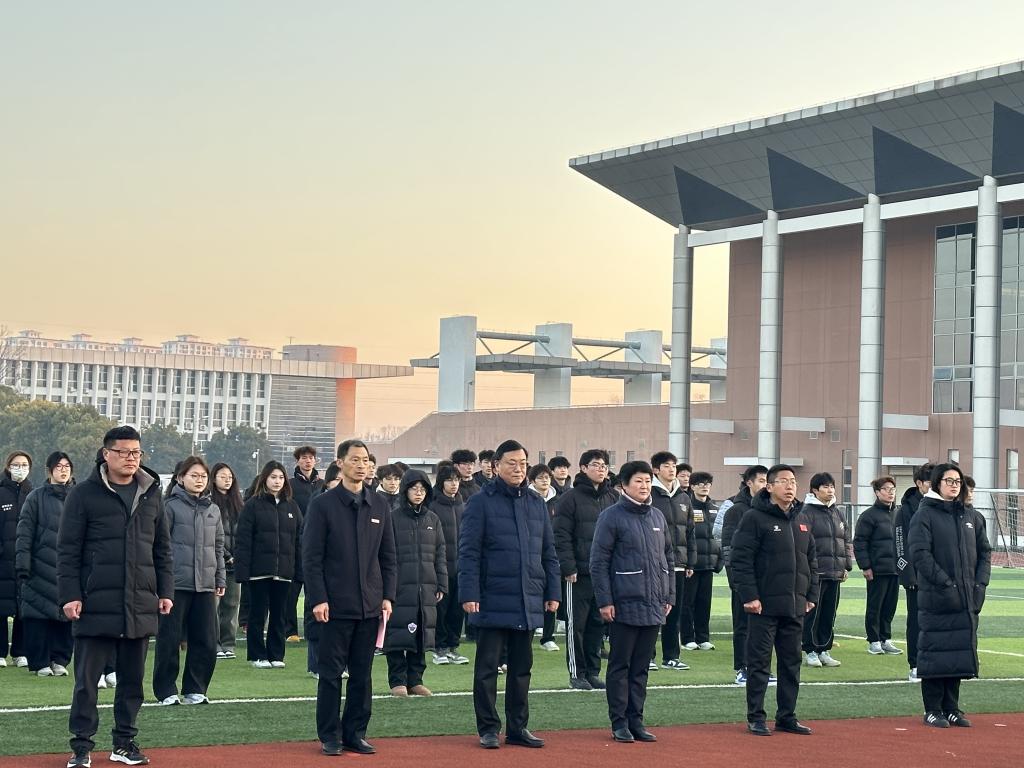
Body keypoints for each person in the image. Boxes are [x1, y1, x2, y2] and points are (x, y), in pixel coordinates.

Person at [58, 426, 173, 768]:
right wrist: (70, 595)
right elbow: (67, 550)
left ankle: (124, 744)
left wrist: (165, 591)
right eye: (123, 452)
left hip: (139, 603)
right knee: (86, 684)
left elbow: (162, 549)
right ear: (106, 454)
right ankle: (81, 747)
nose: (131, 458)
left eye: (136, 452)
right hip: (95, 603)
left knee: (132, 683)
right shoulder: (83, 495)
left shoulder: (152, 493)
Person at [459, 439, 560, 750]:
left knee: (521, 669)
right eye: (512, 463)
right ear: (496, 466)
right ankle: (488, 728)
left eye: (523, 464)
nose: (518, 469)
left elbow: (548, 552)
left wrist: (552, 590)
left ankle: (518, 728)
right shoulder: (480, 502)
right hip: (491, 597)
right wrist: (469, 593)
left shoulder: (535, 503)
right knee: (487, 669)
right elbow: (469, 552)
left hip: (527, 597)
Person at [304, 439, 396, 756]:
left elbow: (388, 557)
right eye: (354, 459)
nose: (361, 465)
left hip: (370, 606)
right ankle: (330, 735)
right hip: (334, 606)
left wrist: (388, 596)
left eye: (365, 460)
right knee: (330, 675)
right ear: (340, 463)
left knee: (362, 675)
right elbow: (311, 558)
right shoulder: (323, 505)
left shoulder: (379, 505)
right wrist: (318, 598)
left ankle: (355, 733)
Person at [730, 464, 818, 737]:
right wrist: (750, 596)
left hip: (795, 605)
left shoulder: (802, 519)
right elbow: (740, 560)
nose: (790, 486)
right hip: (764, 606)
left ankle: (787, 716)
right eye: (783, 481)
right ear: (769, 487)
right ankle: (756, 717)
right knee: (759, 664)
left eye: (793, 481)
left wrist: (811, 595)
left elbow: (811, 561)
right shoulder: (754, 518)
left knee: (791, 664)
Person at [590, 461, 674, 743]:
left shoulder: (657, 516)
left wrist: (669, 595)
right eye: (638, 481)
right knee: (620, 666)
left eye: (648, 481)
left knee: (641, 667)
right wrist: (605, 601)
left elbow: (668, 558)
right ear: (624, 485)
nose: (644, 486)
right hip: (623, 604)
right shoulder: (611, 517)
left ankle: (636, 720)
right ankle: (619, 722)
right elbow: (598, 562)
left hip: (654, 604)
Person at [910, 463, 991, 728]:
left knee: (957, 652)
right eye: (949, 480)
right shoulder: (924, 515)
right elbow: (920, 554)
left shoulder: (972, 516)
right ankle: (933, 709)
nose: (955, 485)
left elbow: (984, 553)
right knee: (935, 651)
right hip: (937, 598)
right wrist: (946, 584)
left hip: (967, 598)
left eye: (958, 481)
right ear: (937, 483)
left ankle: (952, 707)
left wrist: (979, 585)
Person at [153, 457, 225, 706]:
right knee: (169, 640)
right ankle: (166, 690)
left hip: (205, 585)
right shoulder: (169, 507)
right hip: (176, 585)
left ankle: (196, 688)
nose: (199, 480)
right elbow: (160, 547)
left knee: (206, 640)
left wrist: (220, 577)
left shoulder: (213, 510)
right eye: (194, 475)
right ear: (180, 478)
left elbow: (218, 548)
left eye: (203, 476)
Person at [553, 449, 620, 690]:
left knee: (597, 623)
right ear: (583, 468)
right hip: (578, 573)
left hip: (604, 574)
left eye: (604, 465)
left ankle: (593, 672)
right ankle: (577, 673)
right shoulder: (569, 498)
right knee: (576, 625)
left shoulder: (613, 497)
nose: (601, 469)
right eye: (596, 465)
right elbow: (561, 535)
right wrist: (568, 567)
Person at [234, 461, 303, 669]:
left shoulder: (292, 506)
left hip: (284, 572)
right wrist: (242, 572)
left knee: (279, 615)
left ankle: (276, 655)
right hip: (258, 571)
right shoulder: (252, 505)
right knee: (257, 614)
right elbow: (243, 541)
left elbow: (299, 541)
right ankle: (257, 655)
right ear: (265, 479)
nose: (277, 481)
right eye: (273, 477)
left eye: (281, 477)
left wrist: (299, 570)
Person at [385, 470, 447, 697]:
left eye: (423, 489)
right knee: (397, 634)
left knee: (421, 633)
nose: (419, 493)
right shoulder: (393, 518)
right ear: (405, 491)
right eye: (414, 489)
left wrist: (441, 584)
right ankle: (397, 681)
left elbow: (440, 553)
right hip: (399, 587)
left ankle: (416, 680)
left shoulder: (433, 519)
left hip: (426, 587)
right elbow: (385, 555)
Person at [15, 452, 74, 676]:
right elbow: (24, 532)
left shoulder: (77, 496)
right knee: (37, 615)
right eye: (58, 466)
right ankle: (39, 662)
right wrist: (23, 565)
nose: (63, 470)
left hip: (68, 567)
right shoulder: (36, 497)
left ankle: (60, 660)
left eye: (67, 466)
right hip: (39, 567)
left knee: (66, 615)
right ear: (49, 470)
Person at [720, 465, 767, 684]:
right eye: (761, 481)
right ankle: (742, 667)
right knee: (743, 625)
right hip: (743, 580)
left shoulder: (771, 509)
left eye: (768, 481)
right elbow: (729, 548)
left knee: (764, 628)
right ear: (749, 483)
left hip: (767, 580)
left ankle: (761, 668)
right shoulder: (736, 510)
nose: (765, 485)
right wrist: (736, 581)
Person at [800, 473, 853, 668]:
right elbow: (803, 543)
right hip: (816, 573)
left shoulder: (837, 512)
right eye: (825, 487)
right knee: (812, 613)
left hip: (834, 572)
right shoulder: (806, 512)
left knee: (829, 614)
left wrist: (846, 566)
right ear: (815, 490)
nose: (830, 490)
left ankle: (824, 649)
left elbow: (845, 539)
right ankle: (810, 650)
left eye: (832, 486)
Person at [648, 451, 693, 671]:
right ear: (656, 470)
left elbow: (690, 531)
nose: (671, 469)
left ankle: (671, 656)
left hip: (678, 563)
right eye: (666, 466)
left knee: (674, 612)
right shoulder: (649, 493)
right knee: (652, 610)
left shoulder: (684, 497)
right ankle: (648, 656)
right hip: (655, 563)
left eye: (673, 465)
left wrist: (690, 562)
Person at [854, 476, 901, 670]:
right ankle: (874, 640)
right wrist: (865, 566)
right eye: (886, 489)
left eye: (893, 489)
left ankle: (885, 638)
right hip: (877, 569)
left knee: (890, 606)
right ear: (877, 492)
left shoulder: (898, 514)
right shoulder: (869, 516)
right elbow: (860, 542)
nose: (890, 492)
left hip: (895, 569)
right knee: (875, 606)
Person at [895, 462, 933, 678]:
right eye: (929, 481)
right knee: (916, 621)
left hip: (939, 577)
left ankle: (935, 662)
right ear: (919, 483)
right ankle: (915, 664)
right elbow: (900, 543)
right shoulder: (906, 509)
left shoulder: (941, 506)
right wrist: (907, 574)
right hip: (916, 577)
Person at [431, 464, 469, 665]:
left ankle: (453, 646)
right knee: (441, 609)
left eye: (456, 480)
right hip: (440, 566)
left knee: (457, 609)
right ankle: (439, 648)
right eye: (449, 480)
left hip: (460, 566)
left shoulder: (463, 505)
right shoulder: (433, 506)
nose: (454, 484)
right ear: (441, 482)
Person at [681, 471, 721, 653]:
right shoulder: (687, 507)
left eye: (708, 484)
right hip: (692, 565)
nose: (705, 487)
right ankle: (687, 638)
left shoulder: (714, 508)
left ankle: (703, 638)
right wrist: (687, 561)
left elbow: (718, 537)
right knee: (688, 603)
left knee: (704, 604)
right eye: (701, 484)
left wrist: (718, 560)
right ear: (693, 486)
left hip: (708, 564)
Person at [1, 450, 32, 669]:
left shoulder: (33, 493)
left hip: (25, 560)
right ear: (8, 466)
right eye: (16, 464)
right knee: (1, 607)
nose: (20, 468)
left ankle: (20, 652)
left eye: (24, 465)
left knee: (24, 607)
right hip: (3, 560)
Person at [209, 463, 243, 660]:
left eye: (230, 476)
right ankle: (213, 643)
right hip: (215, 563)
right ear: (214, 479)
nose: (227, 480)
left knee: (232, 604)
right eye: (223, 476)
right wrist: (227, 555)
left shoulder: (238, 503)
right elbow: (212, 535)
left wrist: (237, 555)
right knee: (213, 605)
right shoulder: (209, 503)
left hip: (235, 564)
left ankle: (228, 643)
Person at [528, 464, 559, 652]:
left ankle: (548, 637)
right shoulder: (526, 499)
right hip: (532, 554)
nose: (545, 480)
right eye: (540, 477)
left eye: (547, 477)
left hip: (550, 553)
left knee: (551, 594)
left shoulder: (558, 500)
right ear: (532, 481)